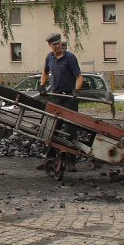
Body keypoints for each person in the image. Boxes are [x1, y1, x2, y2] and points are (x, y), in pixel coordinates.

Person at [36, 33, 84, 171]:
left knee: (70, 129)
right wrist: (42, 85)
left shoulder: (70, 58)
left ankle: (71, 161)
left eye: (59, 44)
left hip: (69, 98)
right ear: (50, 46)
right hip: (56, 97)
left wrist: (76, 90)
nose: (57, 47)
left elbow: (79, 77)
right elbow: (45, 73)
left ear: (61, 43)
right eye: (54, 45)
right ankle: (49, 159)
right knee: (52, 128)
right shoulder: (49, 58)